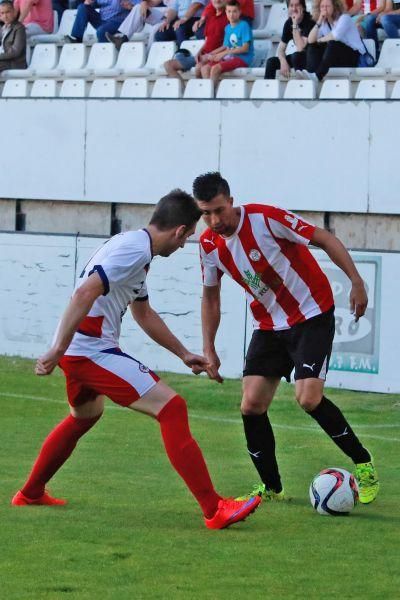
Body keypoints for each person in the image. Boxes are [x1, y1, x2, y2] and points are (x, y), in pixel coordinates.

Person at [11, 189, 261, 531]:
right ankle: (214, 508)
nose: (186, 243)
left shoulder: (135, 248)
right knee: (172, 408)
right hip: (90, 350)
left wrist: (183, 353)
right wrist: (58, 347)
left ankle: (30, 492)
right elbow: (85, 292)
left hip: (83, 349)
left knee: (85, 416)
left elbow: (143, 313)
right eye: (188, 236)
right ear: (178, 231)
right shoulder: (133, 251)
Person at [192, 172, 379, 505]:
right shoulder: (208, 245)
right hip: (268, 325)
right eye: (206, 213)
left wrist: (356, 281)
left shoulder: (266, 218)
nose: (214, 220)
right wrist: (209, 346)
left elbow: (324, 238)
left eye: (219, 210)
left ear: (231, 202)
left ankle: (363, 462)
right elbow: (210, 296)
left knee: (308, 398)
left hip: (312, 314)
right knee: (251, 405)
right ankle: (271, 486)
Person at [299, 0, 365, 80]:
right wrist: (319, 21)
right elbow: (310, 40)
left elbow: (335, 36)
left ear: (335, 7)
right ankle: (311, 74)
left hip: (354, 57)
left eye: (327, 6)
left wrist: (319, 40)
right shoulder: (324, 23)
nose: (324, 9)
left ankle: (317, 76)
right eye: (322, 7)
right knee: (313, 46)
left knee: (333, 43)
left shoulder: (344, 18)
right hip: (337, 57)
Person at [163, 0, 227, 79]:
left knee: (200, 68)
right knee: (168, 65)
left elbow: (227, 45)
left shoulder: (229, 18)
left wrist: (209, 55)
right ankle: (183, 90)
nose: (217, 0)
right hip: (203, 56)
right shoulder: (210, 17)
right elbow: (207, 41)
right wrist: (199, 52)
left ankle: (205, 90)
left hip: (215, 57)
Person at [199, 0, 254, 85]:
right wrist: (210, 55)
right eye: (229, 11)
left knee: (215, 68)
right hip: (231, 56)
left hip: (243, 59)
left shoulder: (244, 25)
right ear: (226, 12)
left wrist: (224, 53)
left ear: (240, 12)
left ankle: (211, 95)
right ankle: (209, 92)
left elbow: (245, 48)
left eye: (234, 11)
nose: (231, 15)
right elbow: (225, 46)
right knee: (204, 68)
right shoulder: (228, 27)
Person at [264, 0, 315, 80]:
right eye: (291, 6)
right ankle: (267, 91)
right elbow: (281, 49)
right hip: (299, 58)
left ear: (303, 7)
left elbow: (301, 47)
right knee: (271, 62)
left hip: (312, 58)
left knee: (296, 56)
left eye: (297, 5)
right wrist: (283, 61)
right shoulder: (288, 23)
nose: (294, 9)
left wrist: (295, 24)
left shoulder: (310, 21)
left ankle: (302, 86)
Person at [106, 0, 173, 50]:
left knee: (155, 29)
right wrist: (142, 3)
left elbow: (179, 11)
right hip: (164, 17)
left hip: (172, 19)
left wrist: (168, 20)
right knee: (138, 7)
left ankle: (148, 56)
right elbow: (153, 2)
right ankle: (123, 39)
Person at [66, 0, 131, 43]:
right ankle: (78, 39)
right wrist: (89, 2)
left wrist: (131, 5)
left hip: (117, 21)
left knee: (101, 31)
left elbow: (138, 4)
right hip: (101, 19)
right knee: (82, 7)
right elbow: (96, 3)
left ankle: (105, 56)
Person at [0, 0, 27, 72]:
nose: (5, 16)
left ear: (13, 12)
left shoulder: (19, 28)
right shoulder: (1, 28)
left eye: (7, 12)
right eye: (2, 13)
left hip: (15, 63)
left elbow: (15, 52)